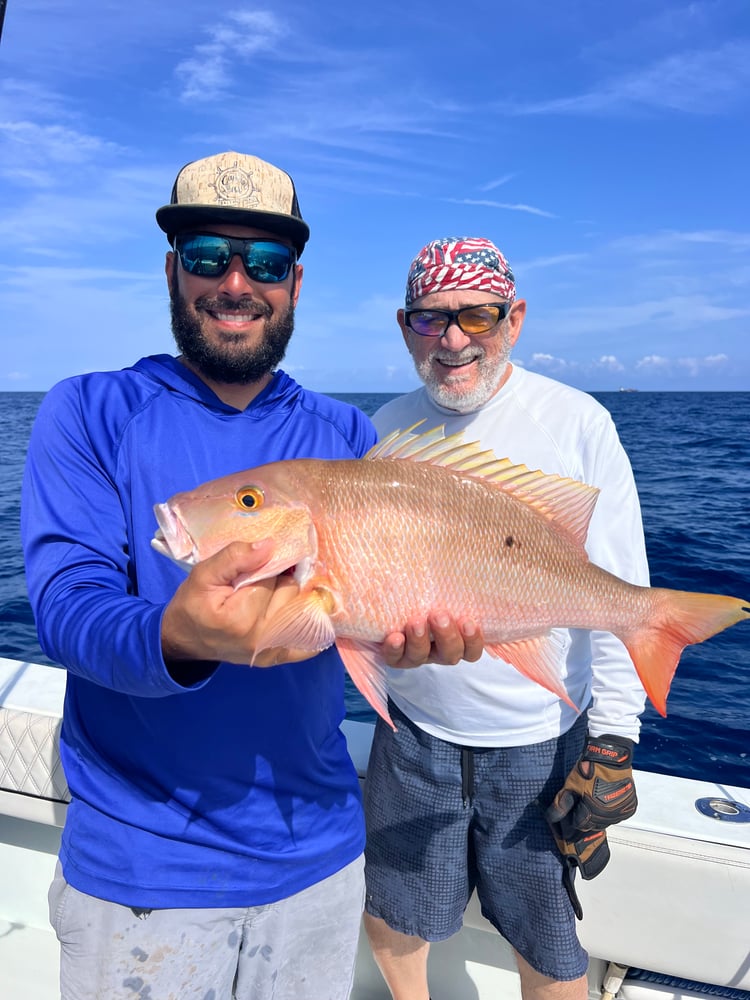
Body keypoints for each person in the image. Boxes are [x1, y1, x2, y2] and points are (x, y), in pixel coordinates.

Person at [20, 153, 479, 1000]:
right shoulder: (86, 410)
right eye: (207, 256)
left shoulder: (346, 433)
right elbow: (66, 609)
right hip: (141, 874)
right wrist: (175, 636)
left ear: (294, 283)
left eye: (264, 263)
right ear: (171, 269)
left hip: (321, 857)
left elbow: (379, 619)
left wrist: (412, 640)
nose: (236, 282)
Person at [363, 236, 649, 1000]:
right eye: (430, 321)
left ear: (513, 319)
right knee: (394, 910)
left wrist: (615, 741)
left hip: (541, 737)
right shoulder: (382, 431)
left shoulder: (578, 423)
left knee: (545, 934)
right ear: (404, 328)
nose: (453, 339)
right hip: (413, 730)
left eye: (477, 316)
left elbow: (620, 592)